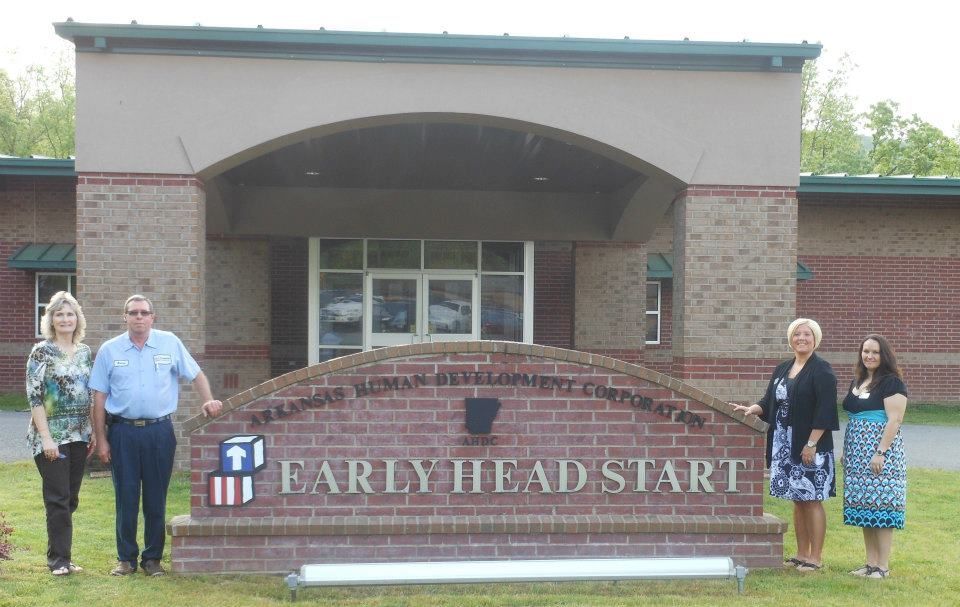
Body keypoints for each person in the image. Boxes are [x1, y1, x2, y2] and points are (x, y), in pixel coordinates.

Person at [89, 294, 222, 577]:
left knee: (155, 497)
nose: (139, 317)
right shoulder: (110, 350)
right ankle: (125, 559)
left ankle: (153, 559)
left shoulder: (169, 343)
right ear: (124, 317)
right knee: (125, 496)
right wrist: (101, 439)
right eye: (133, 312)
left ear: (153, 317)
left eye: (144, 312)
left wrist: (208, 400)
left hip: (160, 432)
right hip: (122, 431)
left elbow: (196, 374)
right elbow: (99, 398)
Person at [732, 318, 839, 572]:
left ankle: (815, 557)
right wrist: (752, 409)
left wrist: (811, 443)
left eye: (807, 334)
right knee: (797, 498)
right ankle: (801, 554)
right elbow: (770, 401)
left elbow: (825, 411)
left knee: (812, 498)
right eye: (797, 334)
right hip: (783, 443)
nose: (802, 338)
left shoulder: (822, 370)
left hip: (810, 444)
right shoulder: (782, 368)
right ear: (791, 338)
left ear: (815, 339)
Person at [26, 291, 94, 576]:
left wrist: (92, 432)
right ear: (51, 320)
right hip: (51, 436)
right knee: (57, 497)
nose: (65, 318)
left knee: (70, 499)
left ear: (77, 318)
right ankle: (59, 561)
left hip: (79, 434)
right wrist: (46, 438)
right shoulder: (41, 351)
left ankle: (63, 556)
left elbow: (91, 394)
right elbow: (34, 397)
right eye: (59, 314)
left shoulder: (85, 352)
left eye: (69, 314)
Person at [842, 334, 908, 580]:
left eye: (875, 352)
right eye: (865, 351)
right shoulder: (858, 380)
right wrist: (846, 452)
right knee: (864, 508)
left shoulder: (892, 383)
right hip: (857, 454)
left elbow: (895, 419)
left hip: (881, 454)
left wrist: (880, 452)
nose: (869, 356)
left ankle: (883, 566)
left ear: (884, 356)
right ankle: (870, 563)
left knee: (881, 508)